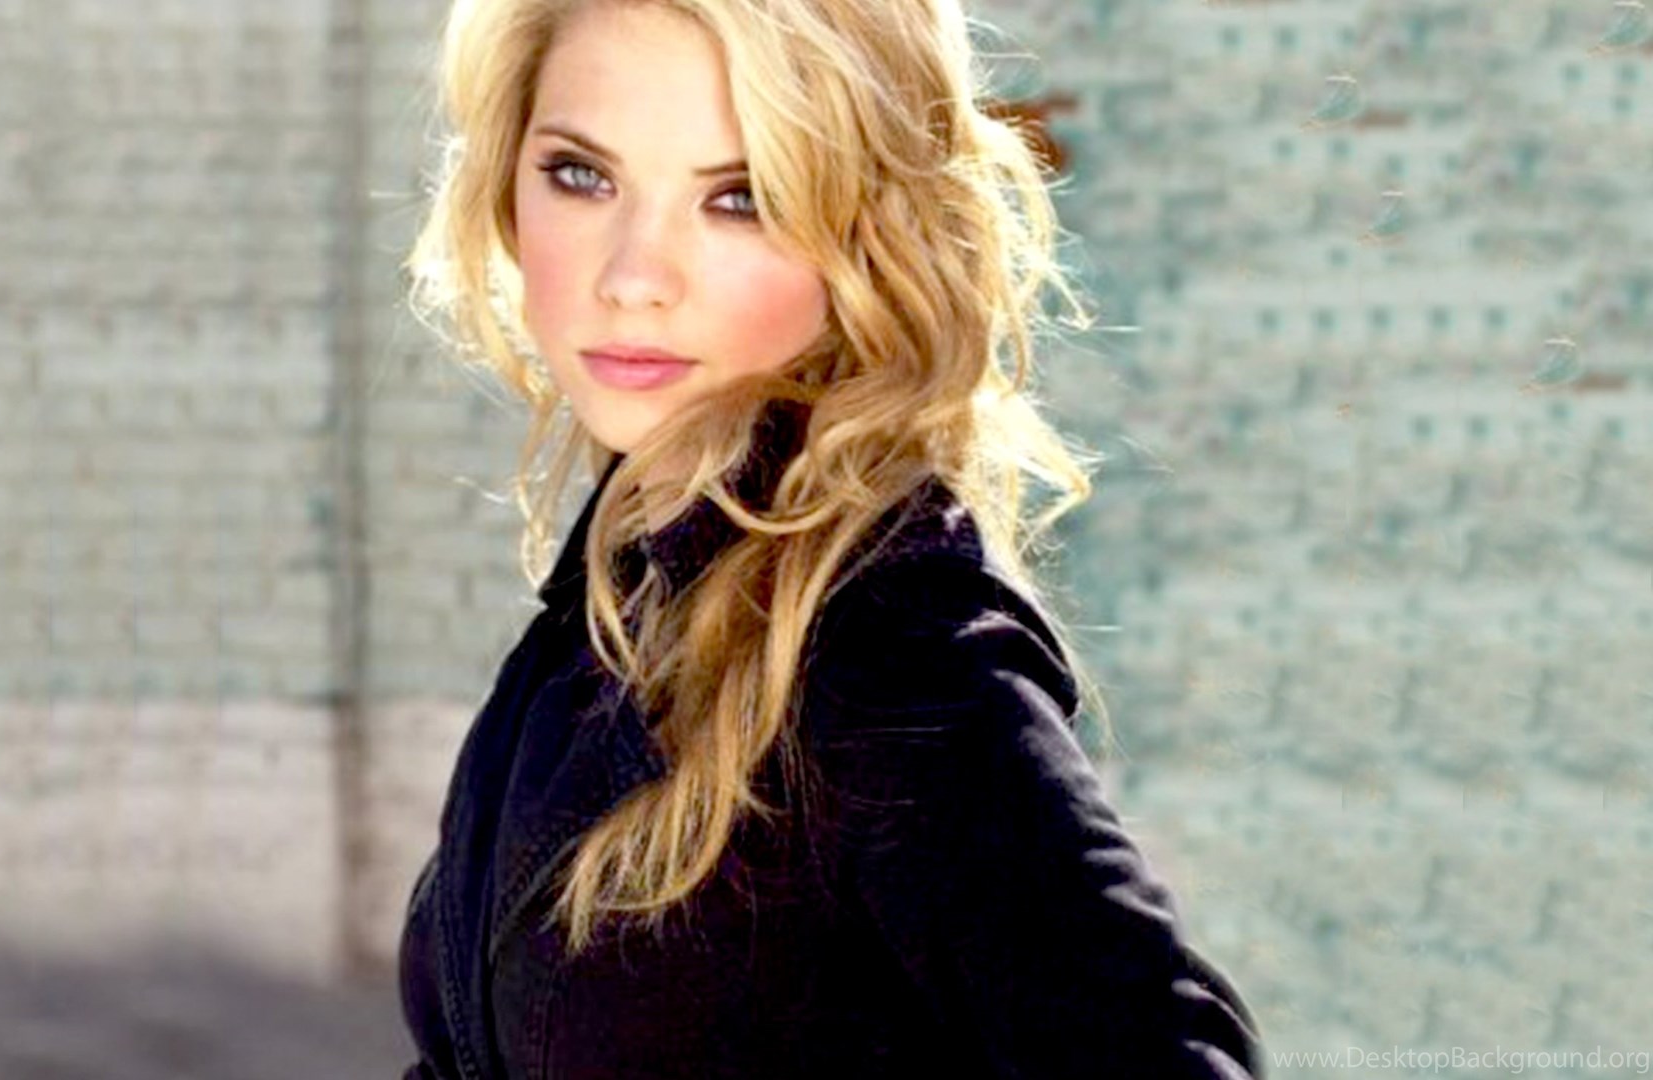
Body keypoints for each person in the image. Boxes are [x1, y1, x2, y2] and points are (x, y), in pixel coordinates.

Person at [396, 0, 1268, 1077]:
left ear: (865, 227)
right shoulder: (609, 606)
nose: (632, 276)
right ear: (505, 185)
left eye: (742, 197)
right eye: (582, 175)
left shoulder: (893, 656)